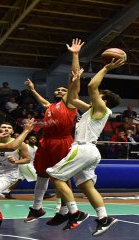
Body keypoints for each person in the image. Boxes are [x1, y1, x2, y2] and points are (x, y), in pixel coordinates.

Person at [45, 57, 125, 235]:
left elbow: (92, 87)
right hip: (90, 151)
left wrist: (105, 68)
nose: (95, 97)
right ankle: (104, 218)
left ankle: (75, 213)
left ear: (104, 101)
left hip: (83, 148)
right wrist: (76, 79)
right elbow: (72, 98)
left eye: (99, 96)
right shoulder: (91, 110)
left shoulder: (101, 109)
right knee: (86, 186)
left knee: (56, 176)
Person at [23, 38, 91, 224]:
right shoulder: (50, 106)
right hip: (46, 142)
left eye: (64, 88)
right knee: (42, 173)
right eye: (59, 89)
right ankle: (36, 208)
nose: (61, 90)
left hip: (63, 141)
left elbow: (74, 77)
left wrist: (75, 55)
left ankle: (66, 210)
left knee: (61, 176)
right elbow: (41, 101)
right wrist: (32, 89)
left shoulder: (69, 103)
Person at [0, 123, 31, 199]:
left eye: (9, 128)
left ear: (12, 132)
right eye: (3, 127)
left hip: (8, 174)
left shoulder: (20, 144)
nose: (6, 129)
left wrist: (16, 161)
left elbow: (27, 159)